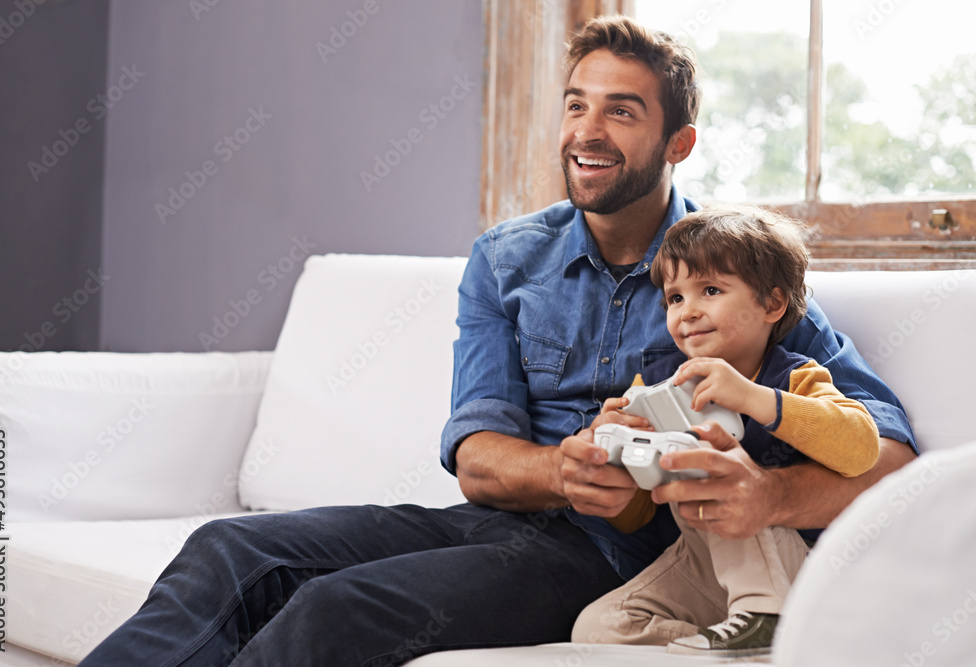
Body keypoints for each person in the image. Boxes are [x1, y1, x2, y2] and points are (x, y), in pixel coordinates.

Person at [81, 15, 915, 666]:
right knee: (228, 548)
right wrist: (565, 467)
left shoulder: (735, 268)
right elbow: (478, 456)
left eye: (621, 112)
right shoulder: (507, 258)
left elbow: (893, 459)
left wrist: (769, 499)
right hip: (503, 521)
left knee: (337, 609)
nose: (587, 131)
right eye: (576, 104)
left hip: (617, 558)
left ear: (677, 143)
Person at [571, 205, 881, 657]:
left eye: (710, 290)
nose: (687, 312)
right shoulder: (659, 384)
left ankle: (768, 613)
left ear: (771, 304)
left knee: (723, 479)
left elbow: (862, 448)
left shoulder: (796, 378)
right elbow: (635, 515)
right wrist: (616, 452)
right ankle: (736, 639)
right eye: (674, 298)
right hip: (703, 560)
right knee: (597, 628)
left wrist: (754, 398)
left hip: (787, 558)